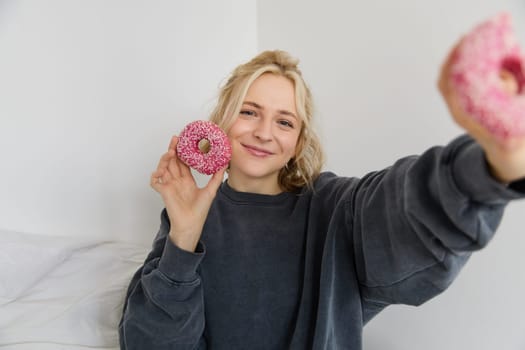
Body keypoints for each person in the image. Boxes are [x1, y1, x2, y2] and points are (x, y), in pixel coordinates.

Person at [118, 44, 525, 349]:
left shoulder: (333, 208)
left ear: (297, 142)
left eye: (284, 121)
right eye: (248, 111)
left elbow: (395, 210)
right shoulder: (187, 215)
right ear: (222, 120)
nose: (263, 132)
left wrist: (486, 168)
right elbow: (149, 342)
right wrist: (184, 236)